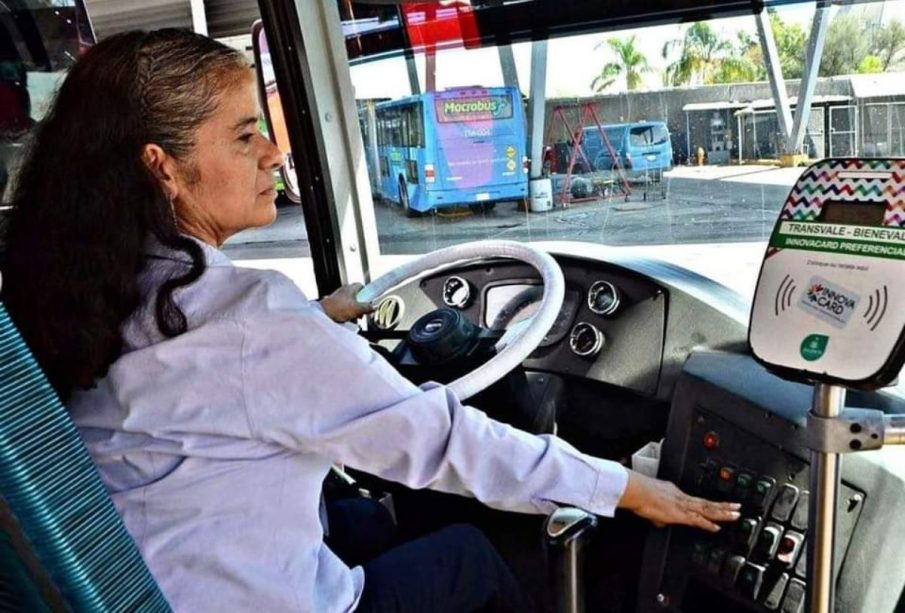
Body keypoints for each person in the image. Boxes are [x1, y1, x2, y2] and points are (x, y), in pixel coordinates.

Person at [0, 30, 739, 613]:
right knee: (467, 555)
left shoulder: (92, 289)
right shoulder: (252, 321)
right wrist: (625, 487)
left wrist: (319, 322)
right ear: (162, 167)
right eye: (243, 135)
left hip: (150, 573)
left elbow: (204, 380)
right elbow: (443, 443)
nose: (273, 153)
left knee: (363, 521)